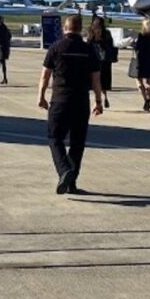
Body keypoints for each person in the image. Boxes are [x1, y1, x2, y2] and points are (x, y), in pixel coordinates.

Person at [38, 14, 105, 195]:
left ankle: (64, 170)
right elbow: (96, 79)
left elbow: (45, 75)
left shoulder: (55, 48)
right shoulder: (89, 50)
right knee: (77, 143)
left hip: (60, 100)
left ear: (64, 28)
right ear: (80, 29)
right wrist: (98, 102)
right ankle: (71, 182)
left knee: (55, 138)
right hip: (81, 101)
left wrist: (41, 96)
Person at [130, 18, 150, 112]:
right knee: (149, 82)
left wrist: (133, 44)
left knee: (139, 81)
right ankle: (149, 100)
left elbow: (137, 47)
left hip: (141, 60)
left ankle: (145, 99)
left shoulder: (141, 35)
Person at [87, 15, 116, 108]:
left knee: (100, 81)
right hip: (101, 60)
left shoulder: (102, 33)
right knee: (100, 81)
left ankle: (101, 98)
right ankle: (102, 97)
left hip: (100, 60)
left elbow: (89, 45)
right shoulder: (98, 33)